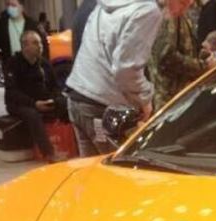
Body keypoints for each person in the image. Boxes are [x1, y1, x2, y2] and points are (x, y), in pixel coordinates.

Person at [66, 0, 162, 156]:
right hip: (102, 107)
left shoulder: (104, 4)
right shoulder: (147, 10)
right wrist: (145, 99)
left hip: (78, 98)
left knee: (91, 173)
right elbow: (125, 70)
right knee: (118, 173)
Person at [5, 31, 67, 161]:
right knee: (33, 115)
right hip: (21, 104)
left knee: (67, 103)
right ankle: (49, 153)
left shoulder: (44, 64)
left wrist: (55, 99)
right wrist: (34, 103)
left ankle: (73, 145)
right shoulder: (13, 63)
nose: (40, 46)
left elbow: (55, 86)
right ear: (25, 46)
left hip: (43, 100)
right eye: (36, 43)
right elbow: (12, 92)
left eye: (40, 43)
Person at [148, 0, 216, 110]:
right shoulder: (168, 15)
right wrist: (202, 66)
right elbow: (166, 57)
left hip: (182, 95)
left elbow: (183, 47)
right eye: (183, 2)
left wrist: (201, 54)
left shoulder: (180, 13)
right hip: (171, 99)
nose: (189, 3)